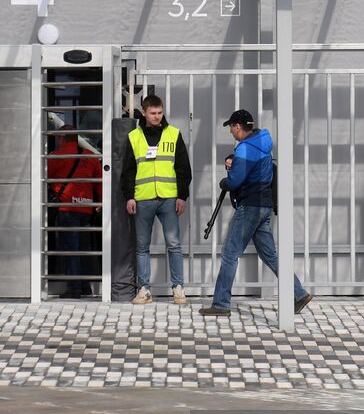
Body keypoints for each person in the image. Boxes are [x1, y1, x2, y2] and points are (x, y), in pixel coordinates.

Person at [199, 109, 312, 318]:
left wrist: (224, 181)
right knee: (270, 255)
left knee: (230, 254)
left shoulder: (244, 149)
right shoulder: (262, 141)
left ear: (238, 127)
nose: (231, 132)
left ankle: (221, 303)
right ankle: (298, 293)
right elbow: (253, 166)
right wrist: (234, 160)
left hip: (249, 206)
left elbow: (234, 181)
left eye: (232, 128)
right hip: (264, 205)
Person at [121, 94, 192, 305]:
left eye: (160, 112)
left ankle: (178, 289)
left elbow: (183, 169)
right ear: (143, 113)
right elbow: (128, 170)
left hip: (169, 198)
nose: (157, 116)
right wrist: (129, 197)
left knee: (174, 244)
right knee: (142, 247)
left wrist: (182, 196)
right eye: (153, 113)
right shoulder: (134, 137)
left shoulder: (173, 134)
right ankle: (144, 290)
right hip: (143, 199)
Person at [48, 126, 102, 297]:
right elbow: (99, 181)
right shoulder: (91, 156)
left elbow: (44, 177)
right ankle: (85, 285)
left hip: (67, 208)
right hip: (86, 209)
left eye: (58, 138)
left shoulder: (57, 157)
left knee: (71, 250)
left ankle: (75, 288)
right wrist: (99, 202)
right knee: (84, 249)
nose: (57, 141)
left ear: (63, 138)